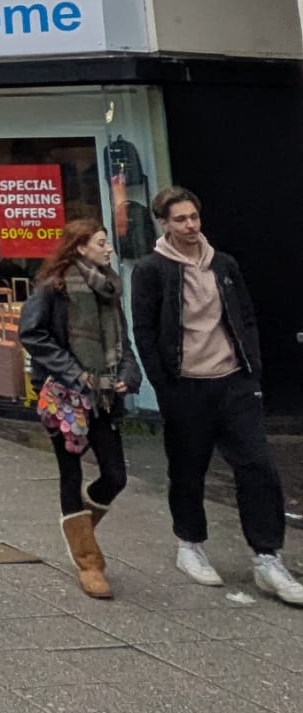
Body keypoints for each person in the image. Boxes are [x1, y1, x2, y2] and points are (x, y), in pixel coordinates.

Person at [131, 186, 303, 603]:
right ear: (164, 223)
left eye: (194, 217)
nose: (190, 225)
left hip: (233, 381)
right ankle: (189, 544)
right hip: (186, 385)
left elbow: (244, 316)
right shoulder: (151, 269)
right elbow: (145, 331)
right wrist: (165, 387)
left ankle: (267, 556)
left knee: (258, 466)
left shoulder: (223, 264)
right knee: (188, 469)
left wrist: (252, 372)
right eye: (180, 219)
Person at [18, 220, 140, 599]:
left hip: (104, 395)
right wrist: (74, 372)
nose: (109, 250)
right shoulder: (53, 288)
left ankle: (78, 525)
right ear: (80, 247)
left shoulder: (109, 289)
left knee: (115, 475)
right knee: (69, 473)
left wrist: (127, 375)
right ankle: (89, 562)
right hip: (66, 395)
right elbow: (32, 333)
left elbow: (123, 341)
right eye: (101, 243)